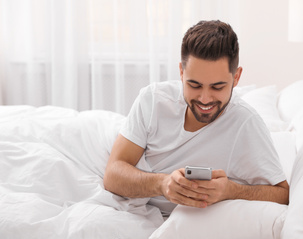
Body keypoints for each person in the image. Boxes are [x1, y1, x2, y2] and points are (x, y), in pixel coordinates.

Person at [104, 20, 289, 216]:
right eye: (195, 85)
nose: (205, 99)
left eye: (217, 87)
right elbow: (112, 175)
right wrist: (163, 183)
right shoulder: (154, 99)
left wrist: (231, 191)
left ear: (236, 77)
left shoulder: (245, 124)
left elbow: (282, 194)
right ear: (181, 72)